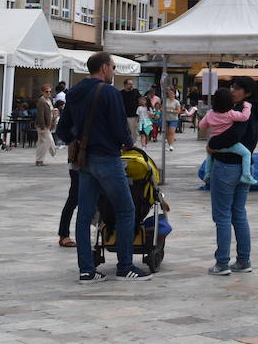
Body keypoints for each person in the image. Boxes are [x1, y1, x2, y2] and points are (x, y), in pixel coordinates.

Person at [54, 52, 149, 282]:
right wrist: (128, 142)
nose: (114, 72)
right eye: (113, 67)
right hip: (106, 157)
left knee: (85, 214)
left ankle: (87, 270)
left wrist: (78, 139)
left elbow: (62, 130)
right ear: (104, 68)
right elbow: (119, 128)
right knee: (126, 210)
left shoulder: (74, 92)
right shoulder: (110, 92)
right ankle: (125, 266)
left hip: (84, 161)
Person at [206, 76, 258, 276]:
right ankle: (243, 260)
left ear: (247, 93)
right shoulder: (247, 111)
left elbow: (233, 136)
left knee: (222, 215)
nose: (232, 90)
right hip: (244, 168)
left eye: (237, 88)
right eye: (232, 87)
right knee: (238, 214)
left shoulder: (238, 112)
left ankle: (222, 263)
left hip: (226, 167)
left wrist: (212, 145)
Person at [199, 88, 256, 186]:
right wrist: (247, 106)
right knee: (246, 153)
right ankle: (246, 175)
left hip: (215, 145)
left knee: (209, 154)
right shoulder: (230, 113)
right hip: (231, 145)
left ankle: (207, 173)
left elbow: (201, 126)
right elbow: (244, 117)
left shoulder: (210, 114)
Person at [35, 84, 59, 165]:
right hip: (43, 125)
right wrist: (42, 127)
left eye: (50, 91)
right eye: (46, 91)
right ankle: (40, 160)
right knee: (47, 141)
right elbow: (40, 115)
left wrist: (54, 114)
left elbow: (50, 111)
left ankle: (39, 159)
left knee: (43, 142)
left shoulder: (49, 100)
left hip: (48, 125)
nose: (48, 93)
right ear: (43, 92)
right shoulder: (41, 101)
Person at [163, 88, 183, 152]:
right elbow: (161, 108)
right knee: (167, 133)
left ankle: (171, 145)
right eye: (169, 93)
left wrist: (171, 111)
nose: (170, 94)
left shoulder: (176, 102)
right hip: (166, 119)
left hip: (174, 119)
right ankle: (169, 145)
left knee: (171, 132)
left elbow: (178, 111)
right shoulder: (165, 100)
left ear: (174, 94)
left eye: (172, 93)